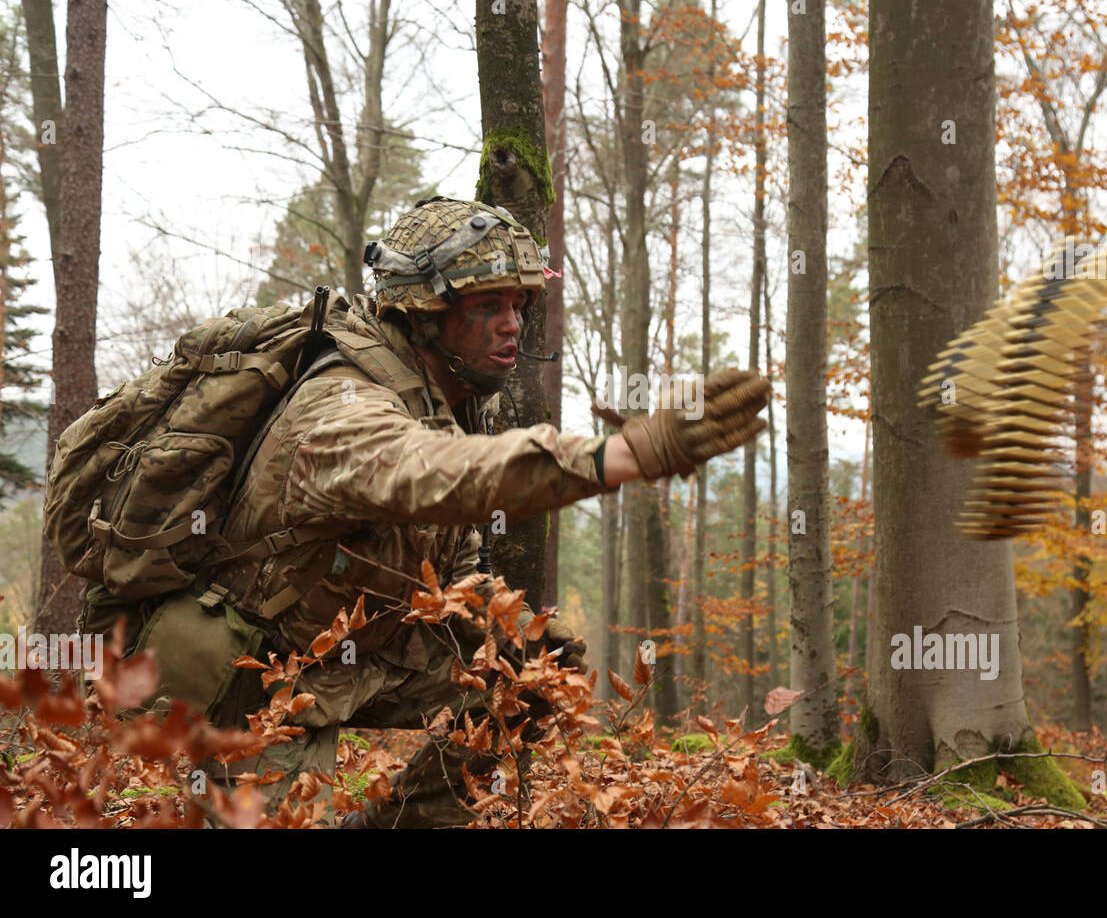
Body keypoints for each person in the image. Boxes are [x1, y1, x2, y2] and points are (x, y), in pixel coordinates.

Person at [192, 196, 771, 826]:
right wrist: (619, 455)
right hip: (262, 687)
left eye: (518, 306)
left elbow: (449, 567)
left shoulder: (439, 398)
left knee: (534, 664)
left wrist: (507, 625)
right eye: (487, 306)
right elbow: (441, 474)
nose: (512, 325)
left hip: (357, 658)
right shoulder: (342, 407)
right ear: (425, 312)